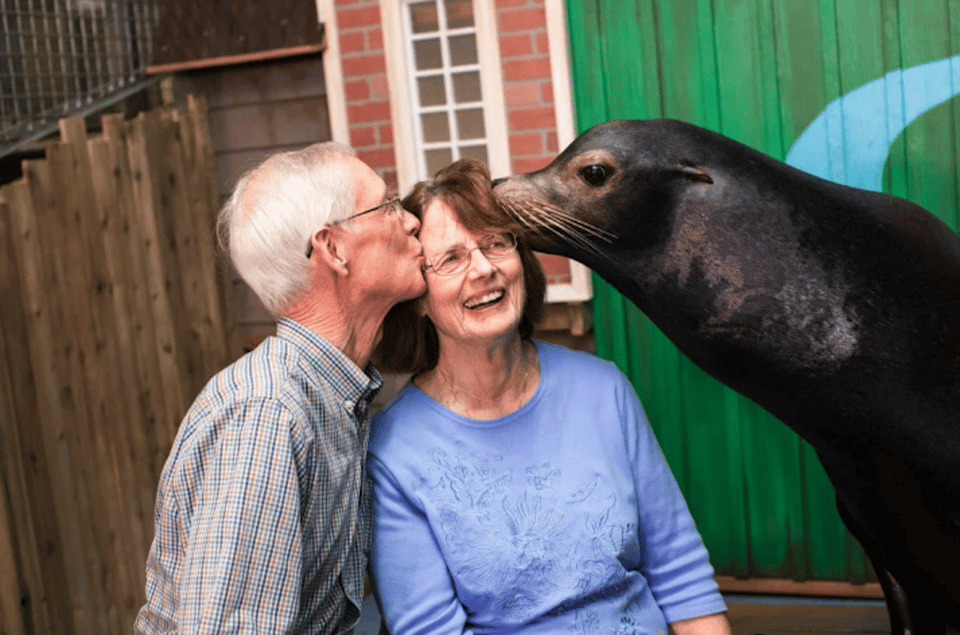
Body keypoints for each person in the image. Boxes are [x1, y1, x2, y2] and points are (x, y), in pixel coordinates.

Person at [367, 159, 731, 635]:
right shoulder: (396, 452)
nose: (483, 269)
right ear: (419, 296)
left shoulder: (602, 390)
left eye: (496, 243)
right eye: (451, 258)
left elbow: (680, 575)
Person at [134, 141, 426, 633]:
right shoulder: (268, 415)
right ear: (333, 248)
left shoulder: (332, 395)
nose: (411, 221)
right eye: (388, 204)